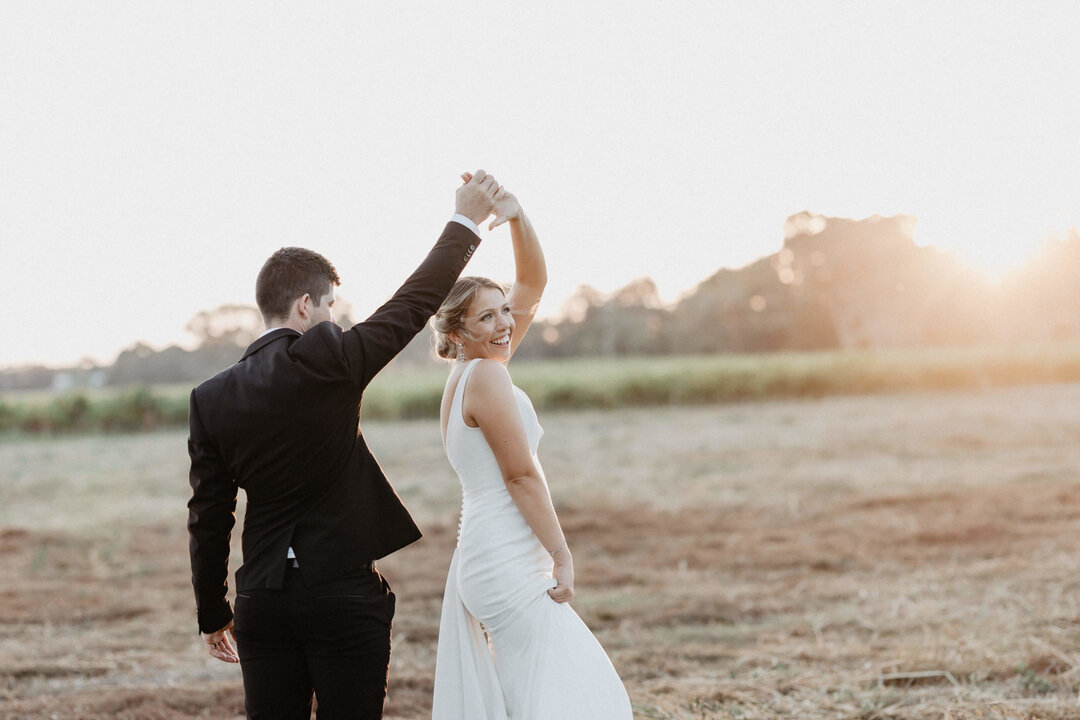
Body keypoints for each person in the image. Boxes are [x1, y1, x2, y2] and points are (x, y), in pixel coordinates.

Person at [186, 170, 503, 720]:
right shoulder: (330, 361)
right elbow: (412, 305)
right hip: (341, 595)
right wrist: (465, 221)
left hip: (262, 599)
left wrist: (213, 612)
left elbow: (209, 515)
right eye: (330, 306)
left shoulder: (210, 397)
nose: (335, 317)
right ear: (305, 305)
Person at [430, 179, 633, 719]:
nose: (505, 325)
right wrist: (562, 556)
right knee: (580, 694)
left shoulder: (469, 374)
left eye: (503, 311)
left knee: (538, 694)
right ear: (457, 333)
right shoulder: (488, 379)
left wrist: (516, 216)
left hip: (490, 553)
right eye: (487, 317)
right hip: (506, 561)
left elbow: (534, 282)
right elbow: (520, 475)